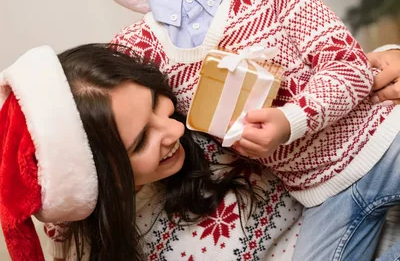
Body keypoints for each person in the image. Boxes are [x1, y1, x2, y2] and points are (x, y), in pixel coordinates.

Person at [80, 0, 400, 260]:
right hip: (322, 196)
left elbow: (351, 64)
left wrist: (290, 120)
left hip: (383, 140)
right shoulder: (138, 51)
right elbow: (82, 116)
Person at [0, 43, 302, 261]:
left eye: (157, 102)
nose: (175, 131)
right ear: (103, 179)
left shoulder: (208, 117)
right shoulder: (81, 246)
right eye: (142, 140)